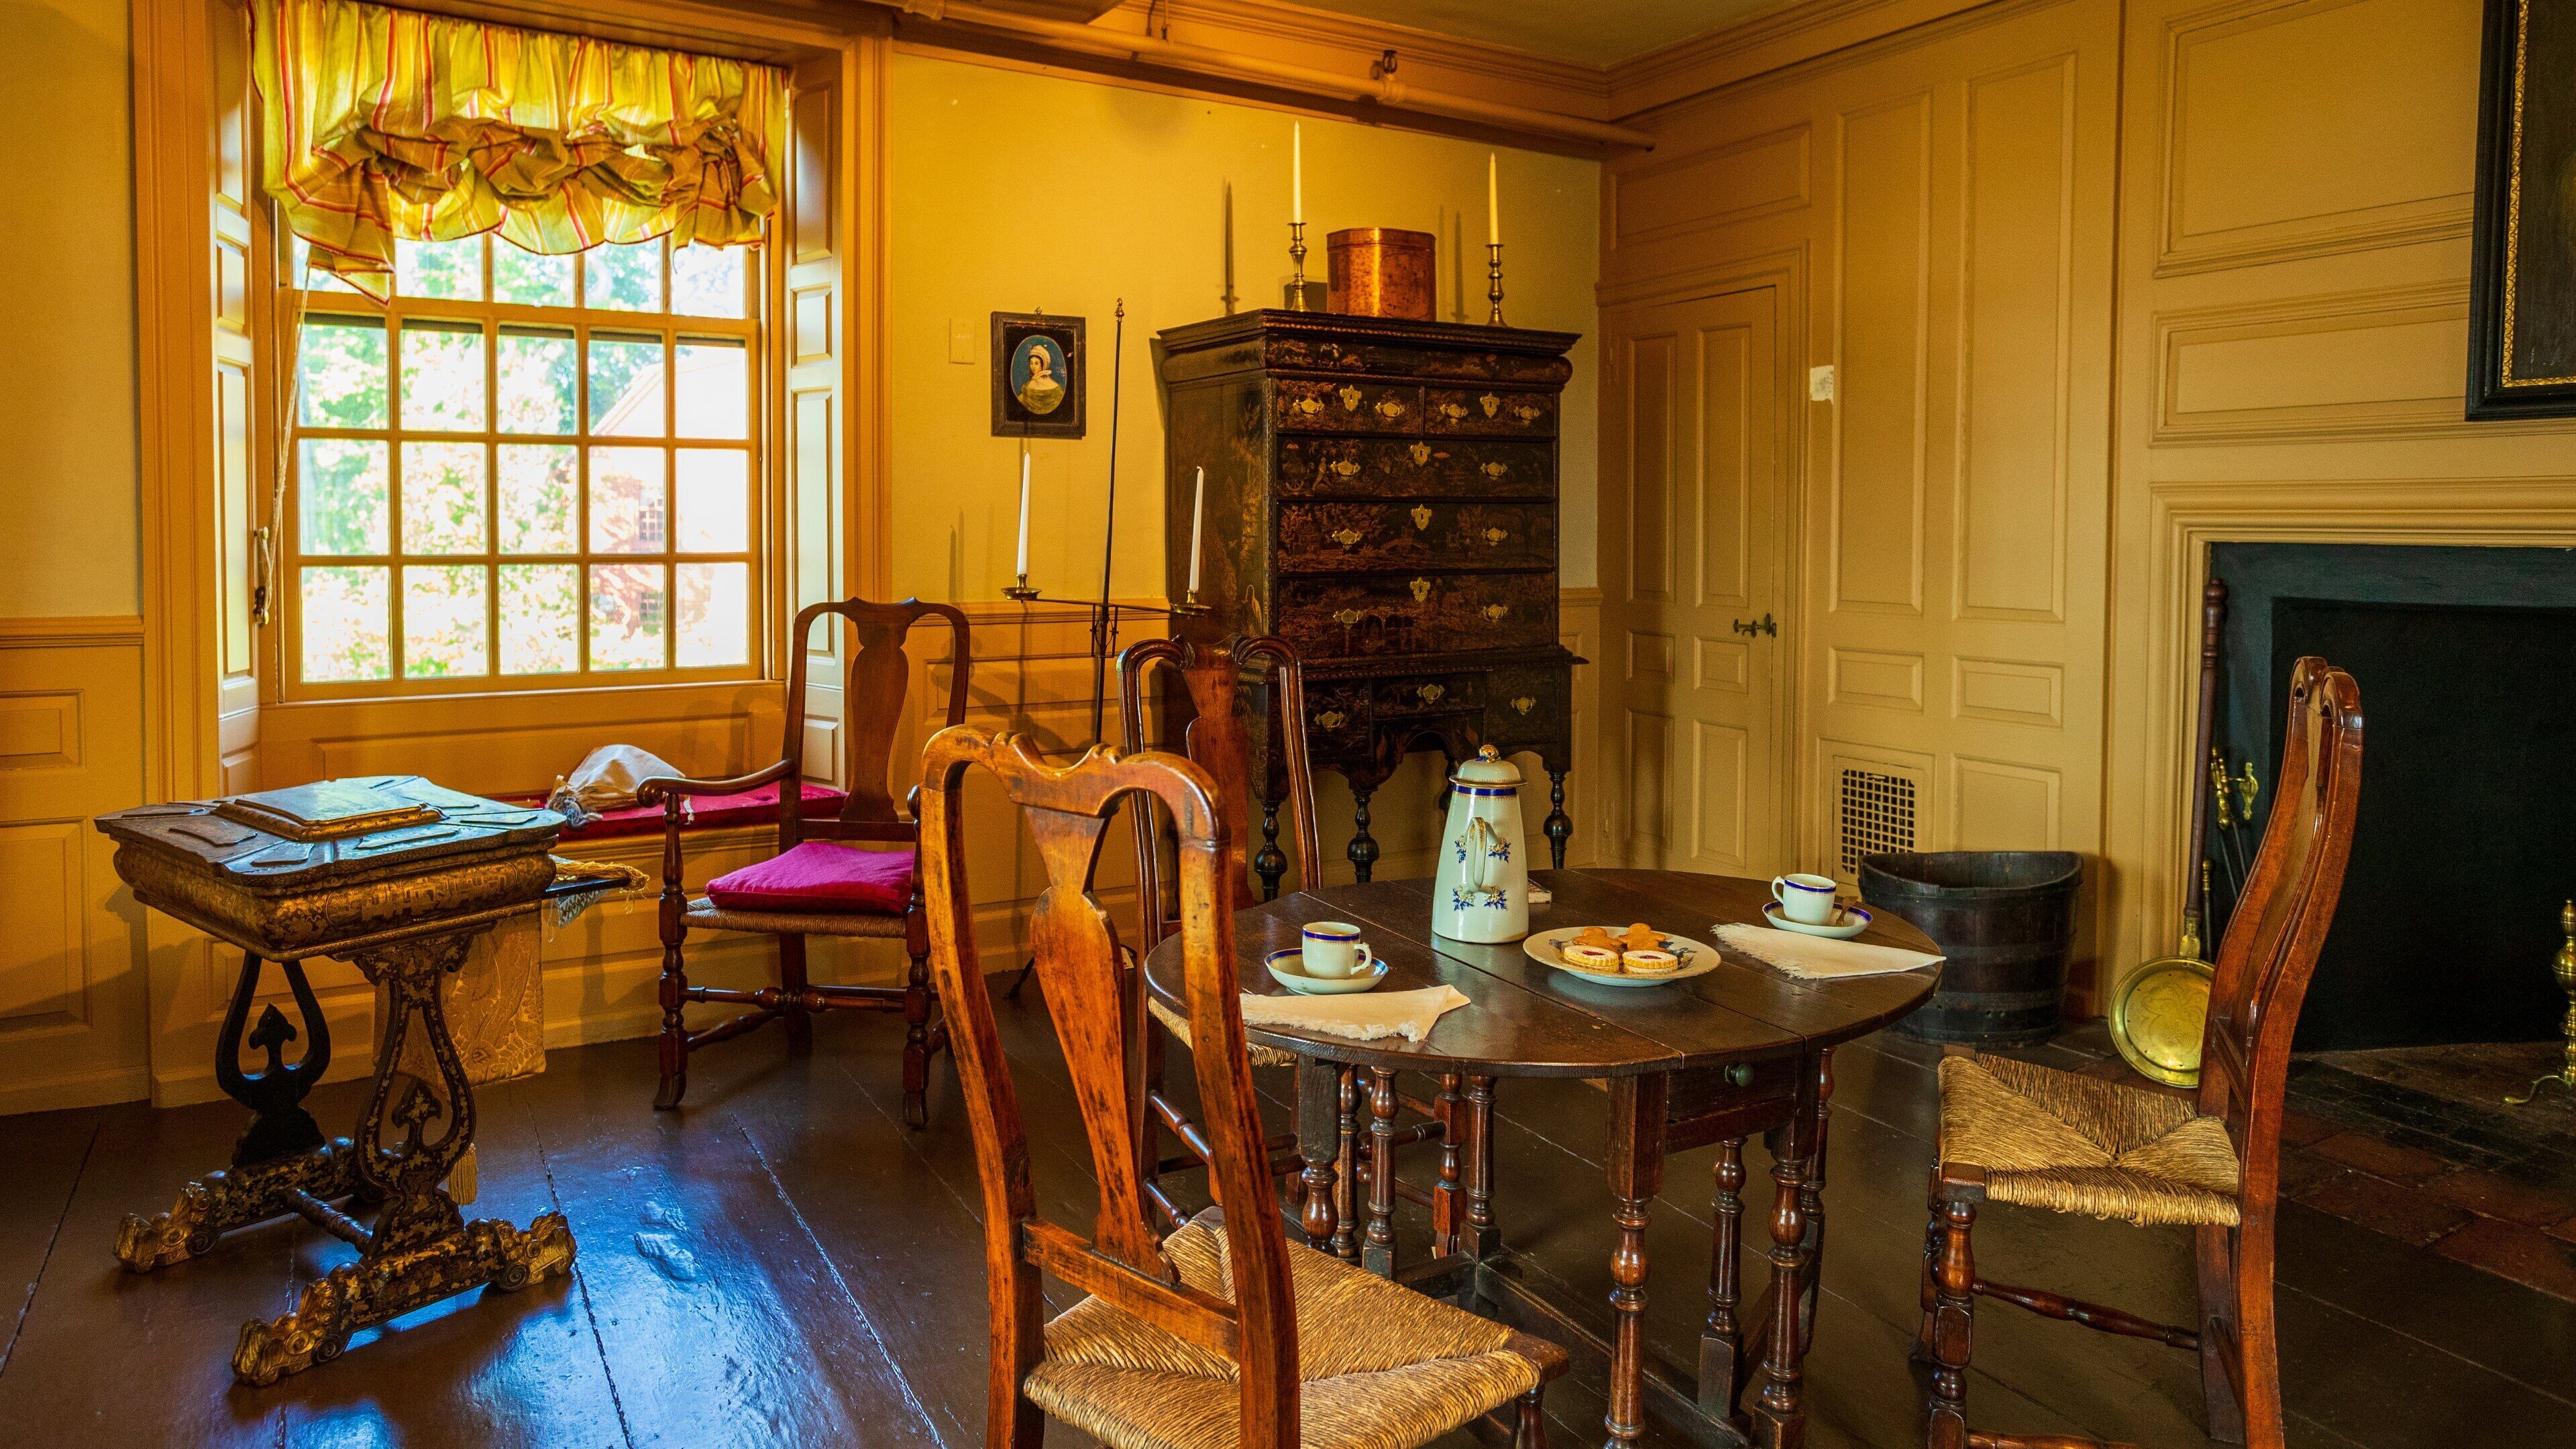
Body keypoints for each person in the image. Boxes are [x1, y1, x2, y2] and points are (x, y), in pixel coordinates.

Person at [1016, 341, 1065, 415]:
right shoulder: (1030, 383)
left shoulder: (1055, 388)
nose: (1033, 367)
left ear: (1043, 364)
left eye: (1036, 363)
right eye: (1031, 363)